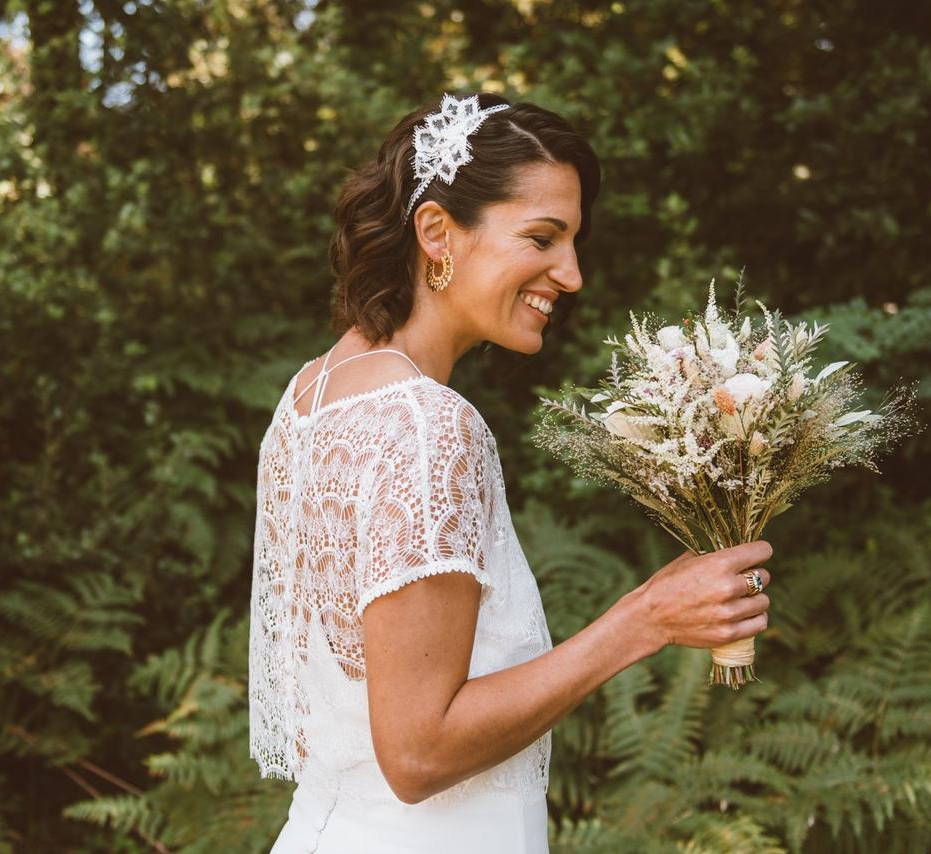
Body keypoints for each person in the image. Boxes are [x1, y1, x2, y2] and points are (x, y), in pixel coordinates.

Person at [248, 91, 773, 853]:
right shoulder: (426, 424)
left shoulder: (311, 395)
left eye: (573, 242)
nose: (572, 274)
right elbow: (419, 752)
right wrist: (646, 619)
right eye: (542, 238)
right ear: (437, 233)